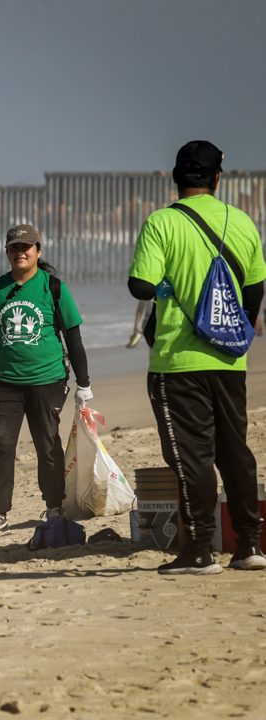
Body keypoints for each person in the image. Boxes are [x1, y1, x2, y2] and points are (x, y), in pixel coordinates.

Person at [128, 140, 266, 575]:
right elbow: (256, 287)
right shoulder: (242, 222)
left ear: (176, 177)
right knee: (234, 451)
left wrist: (168, 284)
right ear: (216, 178)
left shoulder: (162, 222)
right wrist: (237, 330)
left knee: (192, 456)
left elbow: (140, 286)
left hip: (177, 361)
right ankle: (250, 545)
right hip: (229, 361)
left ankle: (200, 549)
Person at [0, 224, 92, 536]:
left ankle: (54, 505)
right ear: (7, 252)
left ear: (38, 250)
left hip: (47, 380)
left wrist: (84, 383)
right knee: (1, 445)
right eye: (14, 248)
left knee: (48, 444)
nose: (20, 252)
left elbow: (73, 338)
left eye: (26, 247)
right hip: (4, 383)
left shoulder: (53, 288)